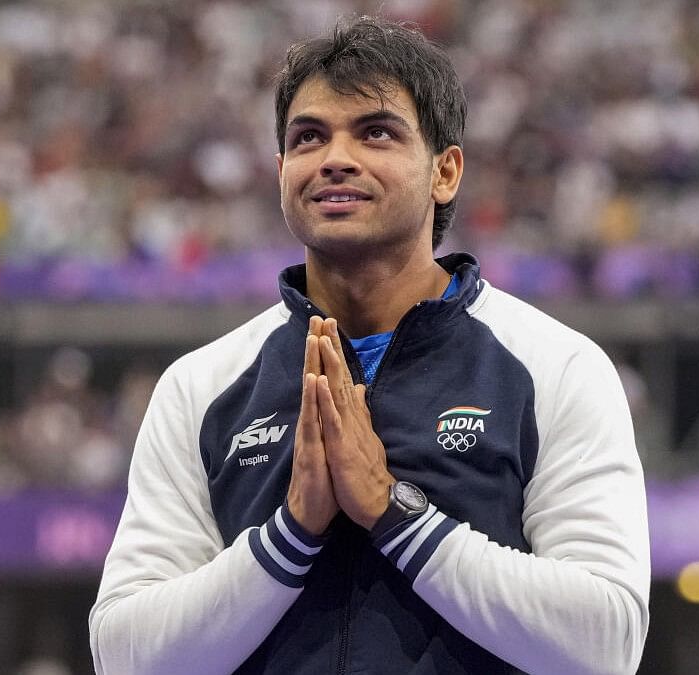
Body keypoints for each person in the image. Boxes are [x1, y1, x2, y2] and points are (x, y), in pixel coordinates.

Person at [90, 15, 649, 674]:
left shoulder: (555, 366)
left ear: (445, 172)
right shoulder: (202, 387)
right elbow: (124, 655)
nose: (335, 158)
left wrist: (393, 511)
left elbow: (604, 643)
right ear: (281, 172)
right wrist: (291, 533)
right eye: (308, 137)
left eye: (375, 132)